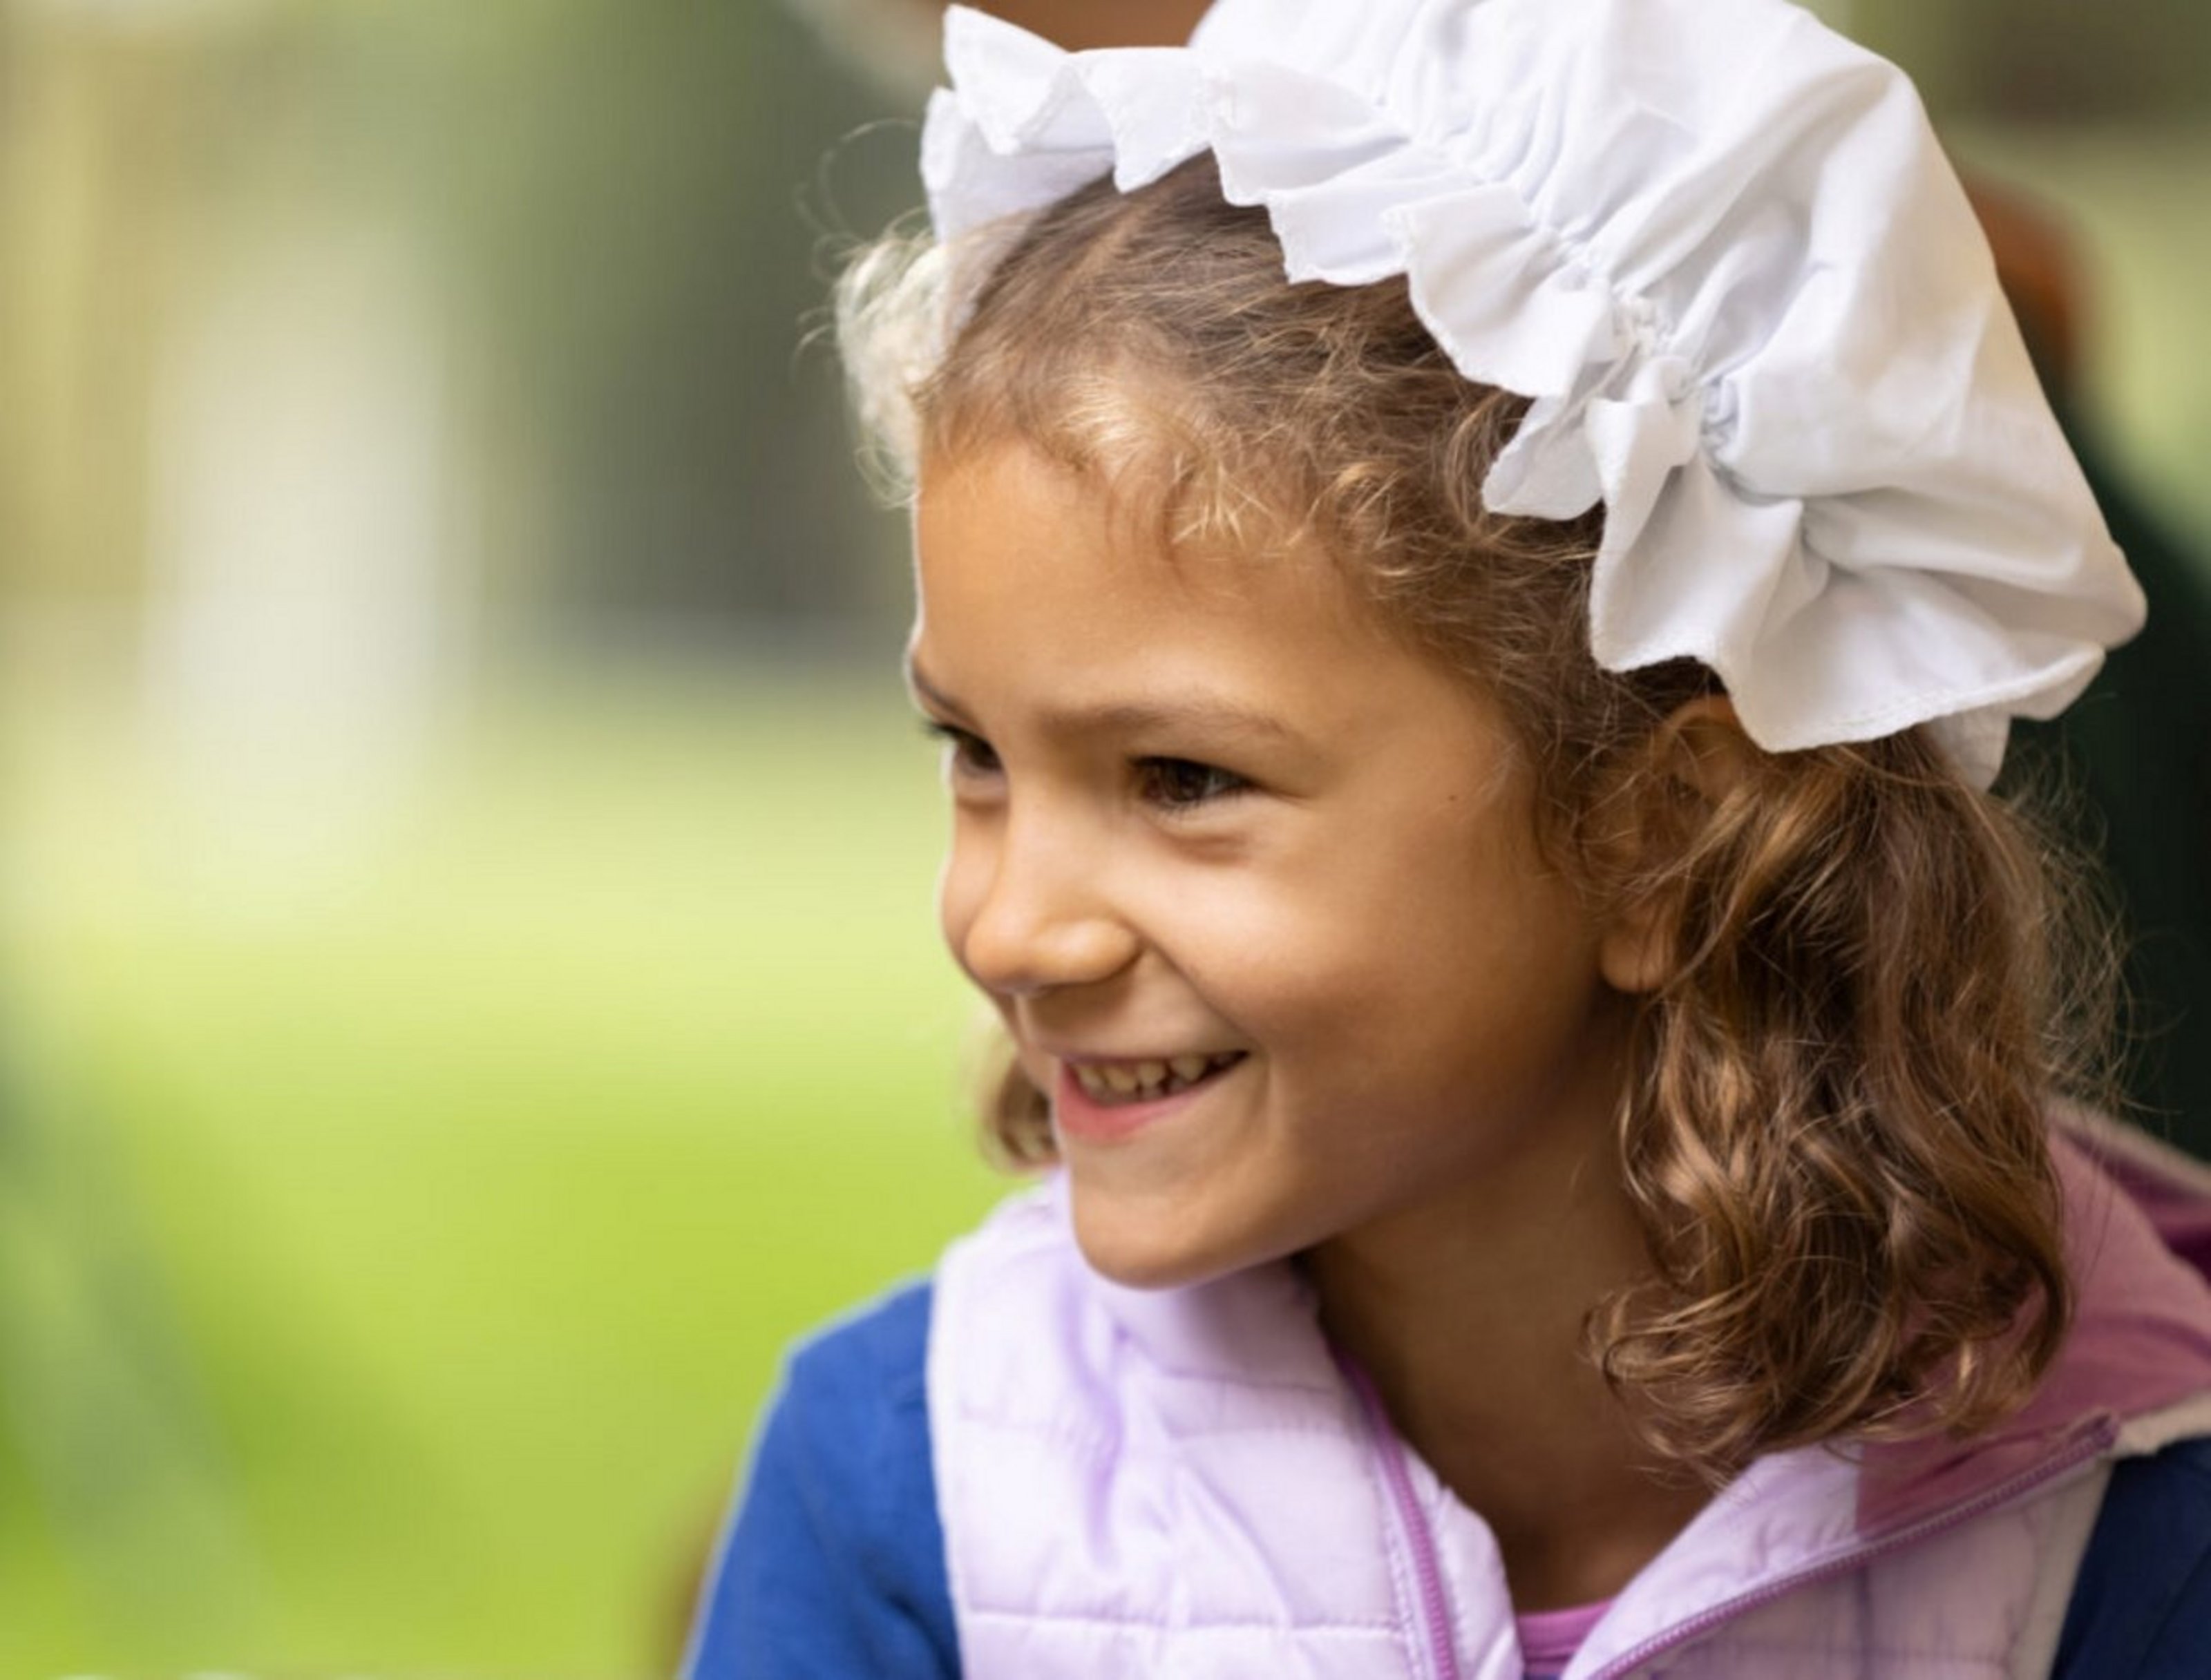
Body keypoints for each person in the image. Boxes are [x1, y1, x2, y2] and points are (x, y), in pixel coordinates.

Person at [687, 1, 2211, 1674]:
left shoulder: (2135, 1526)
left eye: (1183, 779)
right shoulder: (912, 1500)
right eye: (971, 753)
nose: (1010, 926)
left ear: (1662, 835)